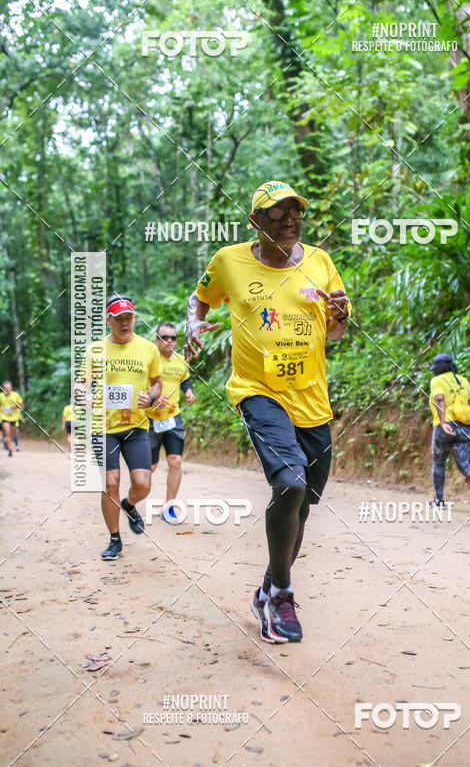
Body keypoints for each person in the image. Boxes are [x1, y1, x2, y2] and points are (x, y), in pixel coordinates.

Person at [185, 180, 351, 643]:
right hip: (257, 390)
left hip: (312, 400)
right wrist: (193, 319)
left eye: (295, 212)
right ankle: (281, 595)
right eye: (277, 214)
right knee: (290, 483)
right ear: (256, 222)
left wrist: (339, 315)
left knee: (302, 505)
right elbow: (199, 296)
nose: (290, 220)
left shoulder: (320, 262)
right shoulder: (229, 262)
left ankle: (264, 589)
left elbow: (336, 331)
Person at [76, 296, 162, 560]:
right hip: (104, 427)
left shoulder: (149, 349)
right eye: (119, 319)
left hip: (136, 426)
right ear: (108, 320)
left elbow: (157, 382)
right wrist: (83, 395)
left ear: (134, 318)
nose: (125, 323)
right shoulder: (95, 350)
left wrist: (151, 395)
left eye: (128, 318)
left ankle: (130, 504)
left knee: (142, 484)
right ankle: (115, 539)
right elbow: (80, 383)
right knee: (110, 482)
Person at [428, 353, 470, 514]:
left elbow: (439, 399)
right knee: (465, 464)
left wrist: (442, 422)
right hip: (465, 427)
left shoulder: (436, 381)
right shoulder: (463, 380)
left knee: (439, 462)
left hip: (445, 426)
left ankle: (439, 500)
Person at [147, 322, 195, 521]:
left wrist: (189, 392)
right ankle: (133, 499)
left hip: (173, 417)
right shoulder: (149, 360)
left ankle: (169, 507)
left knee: (175, 461)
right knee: (149, 467)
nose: (169, 341)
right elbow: (140, 383)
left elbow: (185, 379)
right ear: (157, 340)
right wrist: (153, 398)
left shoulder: (180, 360)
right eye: (164, 337)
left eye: (173, 338)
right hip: (149, 419)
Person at [0, 381, 24, 457]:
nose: (7, 389)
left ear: (11, 388)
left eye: (9, 388)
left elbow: (21, 406)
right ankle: (10, 450)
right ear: (3, 389)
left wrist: (12, 407)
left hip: (14, 417)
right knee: (7, 432)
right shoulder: (0, 396)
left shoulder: (16, 395)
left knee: (11, 435)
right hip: (4, 417)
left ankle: (7, 441)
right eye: (6, 388)